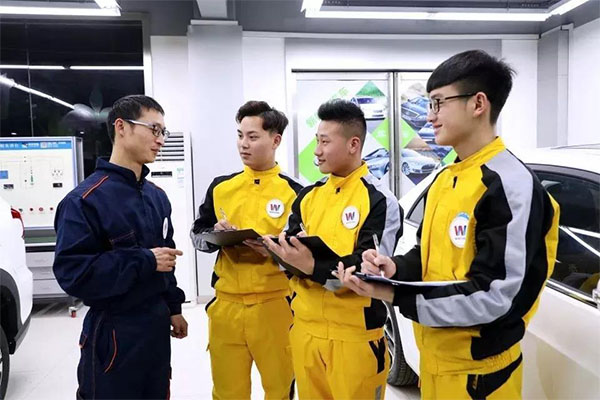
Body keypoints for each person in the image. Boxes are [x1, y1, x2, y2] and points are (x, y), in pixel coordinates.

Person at [337, 50, 560, 400]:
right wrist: (394, 268)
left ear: (478, 104)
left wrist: (397, 294)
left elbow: (494, 296)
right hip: (435, 361)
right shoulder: (446, 178)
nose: (430, 116)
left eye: (439, 103)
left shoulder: (510, 185)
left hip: (481, 376)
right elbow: (428, 254)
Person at [263, 99, 402, 399]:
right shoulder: (307, 197)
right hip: (305, 332)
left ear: (353, 144)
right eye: (317, 141)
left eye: (325, 142)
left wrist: (312, 266)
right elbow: (288, 253)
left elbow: (368, 271)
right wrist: (277, 250)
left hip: (355, 338)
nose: (317, 151)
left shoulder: (379, 200)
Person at [53, 95, 188, 399]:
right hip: (114, 330)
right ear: (121, 127)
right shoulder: (85, 200)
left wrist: (173, 307)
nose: (160, 140)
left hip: (155, 330)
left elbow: (166, 258)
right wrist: (143, 260)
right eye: (154, 129)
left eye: (163, 132)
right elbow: (74, 273)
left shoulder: (156, 197)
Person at [190, 101, 301, 400]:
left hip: (275, 305)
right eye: (240, 135)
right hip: (226, 306)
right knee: (227, 392)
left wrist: (275, 250)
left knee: (279, 389)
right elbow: (197, 235)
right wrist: (215, 234)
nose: (243, 144)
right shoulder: (221, 187)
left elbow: (302, 254)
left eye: (252, 137)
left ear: (275, 140)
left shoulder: (295, 193)